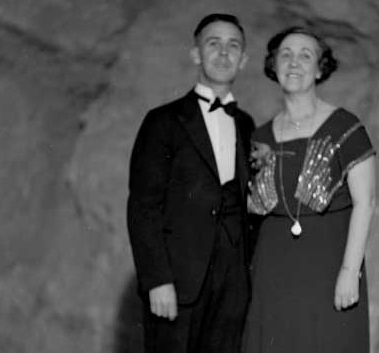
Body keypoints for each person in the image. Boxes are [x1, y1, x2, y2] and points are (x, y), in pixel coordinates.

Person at [127, 13, 255, 353]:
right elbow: (143, 206)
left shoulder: (246, 124)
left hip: (233, 284)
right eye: (213, 43)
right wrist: (157, 281)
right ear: (196, 54)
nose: (223, 53)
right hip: (179, 282)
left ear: (243, 60)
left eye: (233, 46)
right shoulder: (163, 121)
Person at [243, 26, 376, 352]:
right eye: (285, 55)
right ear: (273, 66)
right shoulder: (259, 137)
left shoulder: (345, 126)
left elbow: (366, 202)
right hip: (272, 270)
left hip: (327, 265)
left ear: (320, 68)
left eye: (305, 55)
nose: (294, 63)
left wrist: (349, 272)